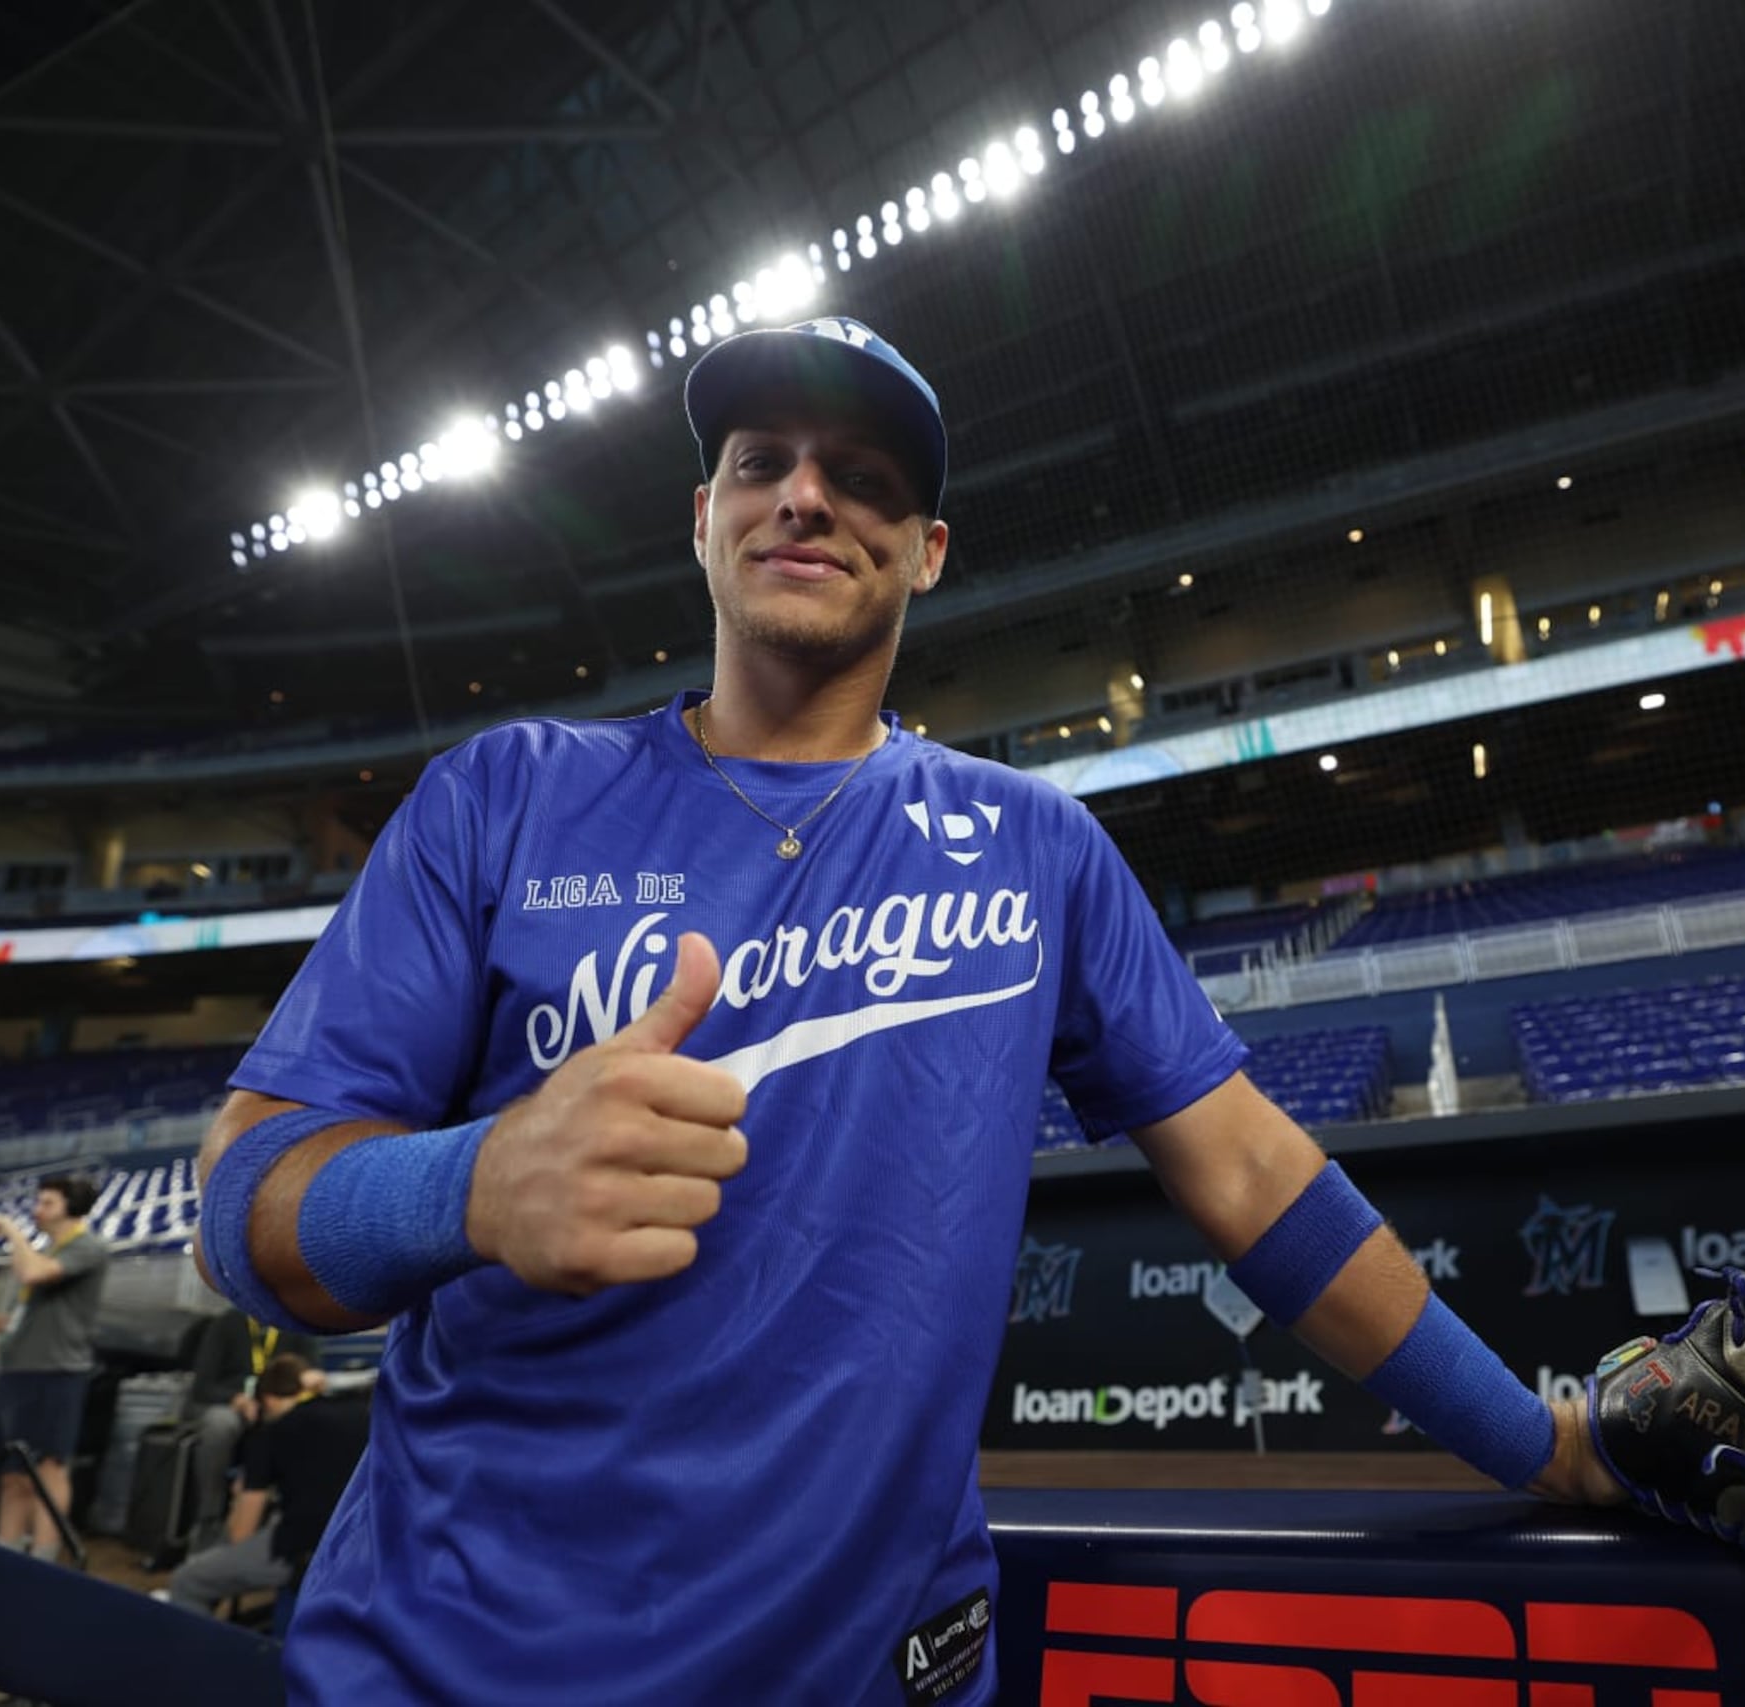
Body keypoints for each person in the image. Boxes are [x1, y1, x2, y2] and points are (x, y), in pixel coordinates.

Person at [193, 315, 1622, 1704]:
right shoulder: (503, 795)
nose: (804, 495)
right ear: (704, 516)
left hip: (868, 1667)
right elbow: (245, 1191)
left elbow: (1257, 1176)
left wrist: (1543, 1443)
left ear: (929, 551)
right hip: (455, 1660)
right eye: (763, 464)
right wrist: (475, 1183)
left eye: (863, 476)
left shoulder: (1035, 848)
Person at [0, 1174, 109, 1560]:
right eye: (38, 1202)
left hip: (55, 1372)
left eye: (48, 1203)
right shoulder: (48, 1248)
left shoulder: (86, 1247)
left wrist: (11, 1230)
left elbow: (33, 1274)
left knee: (49, 1468)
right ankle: (5, 1551)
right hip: (18, 1372)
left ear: (71, 1209)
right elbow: (24, 1313)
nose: (37, 1210)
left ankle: (45, 1554)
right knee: (11, 1472)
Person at [160, 1353, 369, 1618]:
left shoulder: (270, 1433)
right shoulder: (359, 1412)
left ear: (267, 1399)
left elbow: (241, 1533)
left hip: (309, 1551)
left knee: (189, 1579)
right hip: (370, 1546)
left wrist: (239, 1494)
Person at [177, 1305, 322, 1547]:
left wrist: (300, 1389)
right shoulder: (226, 1324)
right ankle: (208, 1518)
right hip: (232, 1404)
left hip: (279, 1404)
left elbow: (312, 1372)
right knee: (220, 1424)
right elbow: (202, 1386)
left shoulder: (298, 1322)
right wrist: (237, 1400)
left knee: (308, 1423)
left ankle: (294, 1521)